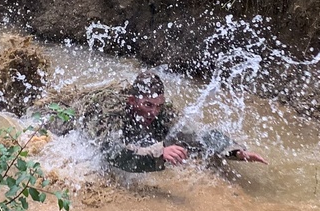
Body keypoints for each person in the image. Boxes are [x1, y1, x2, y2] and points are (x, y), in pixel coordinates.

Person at [44, 71, 267, 172]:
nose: (154, 112)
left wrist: (235, 151)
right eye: (148, 106)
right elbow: (112, 153)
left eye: (158, 105)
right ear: (132, 101)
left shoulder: (162, 113)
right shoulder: (111, 112)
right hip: (66, 123)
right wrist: (160, 151)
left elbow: (196, 134)